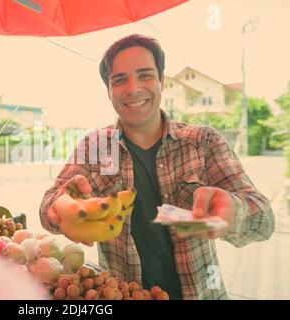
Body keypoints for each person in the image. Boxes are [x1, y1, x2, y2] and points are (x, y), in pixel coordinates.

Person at [39, 34, 274, 300]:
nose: (133, 88)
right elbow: (47, 207)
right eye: (119, 80)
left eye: (145, 75)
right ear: (109, 91)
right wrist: (62, 206)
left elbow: (265, 220)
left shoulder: (203, 141)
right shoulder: (94, 146)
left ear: (162, 81)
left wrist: (232, 211)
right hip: (123, 294)